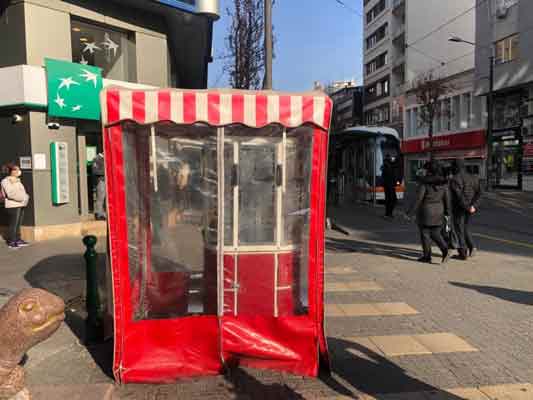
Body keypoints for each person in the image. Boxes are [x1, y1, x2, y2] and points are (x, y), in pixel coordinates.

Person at [407, 160, 451, 264]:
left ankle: (427, 256)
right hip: (439, 212)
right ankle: (445, 250)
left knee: (425, 233)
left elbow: (418, 199)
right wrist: (448, 214)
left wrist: (410, 212)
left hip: (426, 212)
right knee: (435, 233)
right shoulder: (444, 183)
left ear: (429, 170)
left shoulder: (424, 183)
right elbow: (447, 200)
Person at [450, 159, 482, 260]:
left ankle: (463, 253)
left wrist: (468, 207)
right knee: (465, 228)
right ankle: (472, 247)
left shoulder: (455, 179)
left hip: (459, 208)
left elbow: (459, 196)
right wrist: (473, 206)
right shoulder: (474, 178)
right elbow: (480, 193)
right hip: (470, 208)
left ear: (456, 167)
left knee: (459, 230)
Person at [1, 163, 30, 249]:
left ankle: (18, 239)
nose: (19, 171)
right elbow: (10, 193)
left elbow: (22, 191)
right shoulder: (5, 181)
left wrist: (26, 198)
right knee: (13, 224)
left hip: (21, 204)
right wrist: (23, 198)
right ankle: (11, 241)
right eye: (17, 169)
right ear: (12, 171)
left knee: (18, 224)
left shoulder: (17, 180)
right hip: (13, 205)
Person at [382, 154, 398, 218]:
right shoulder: (387, 165)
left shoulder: (388, 164)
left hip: (389, 184)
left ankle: (388, 213)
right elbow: (388, 174)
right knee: (391, 199)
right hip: (389, 184)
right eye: (391, 157)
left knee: (391, 199)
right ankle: (388, 214)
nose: (392, 158)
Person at [92, 153, 106, 221]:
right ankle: (98, 214)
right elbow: (95, 171)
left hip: (105, 180)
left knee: (104, 198)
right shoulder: (96, 159)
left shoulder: (104, 158)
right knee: (100, 198)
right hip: (101, 181)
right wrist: (105, 172)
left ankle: (103, 213)